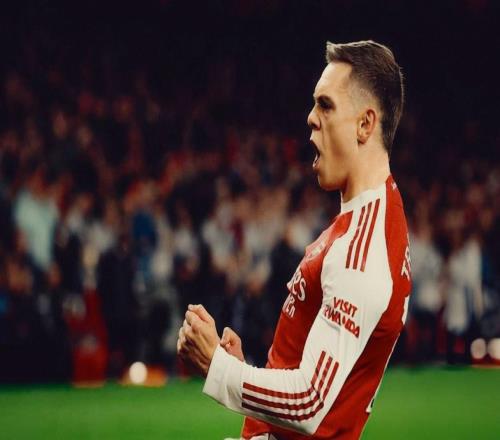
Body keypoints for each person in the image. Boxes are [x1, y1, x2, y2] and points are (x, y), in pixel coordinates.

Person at [177, 40, 411, 440]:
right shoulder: (364, 222)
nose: (310, 118)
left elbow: (310, 403)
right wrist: (247, 370)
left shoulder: (362, 249)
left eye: (326, 105)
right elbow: (319, 380)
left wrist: (219, 366)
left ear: (365, 124)